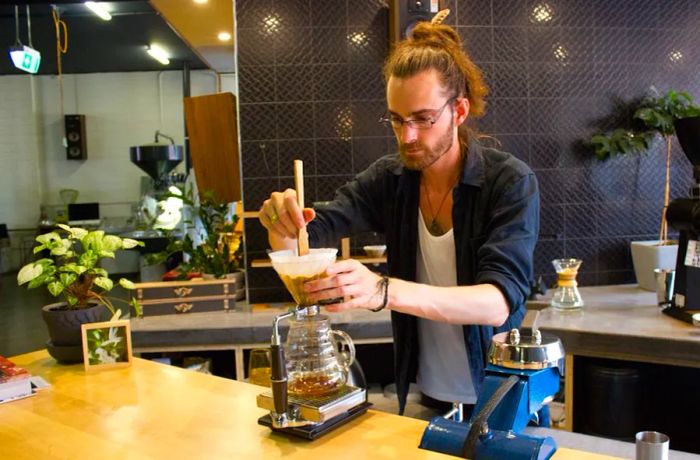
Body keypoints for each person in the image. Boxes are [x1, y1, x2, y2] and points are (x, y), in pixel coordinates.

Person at [258, 19, 539, 417]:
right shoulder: (389, 180)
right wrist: (281, 224)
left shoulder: (509, 181)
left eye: (423, 119)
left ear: (458, 110)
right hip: (427, 395)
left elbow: (496, 301)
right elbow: (307, 236)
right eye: (396, 118)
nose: (406, 136)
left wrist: (383, 292)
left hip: (498, 392)